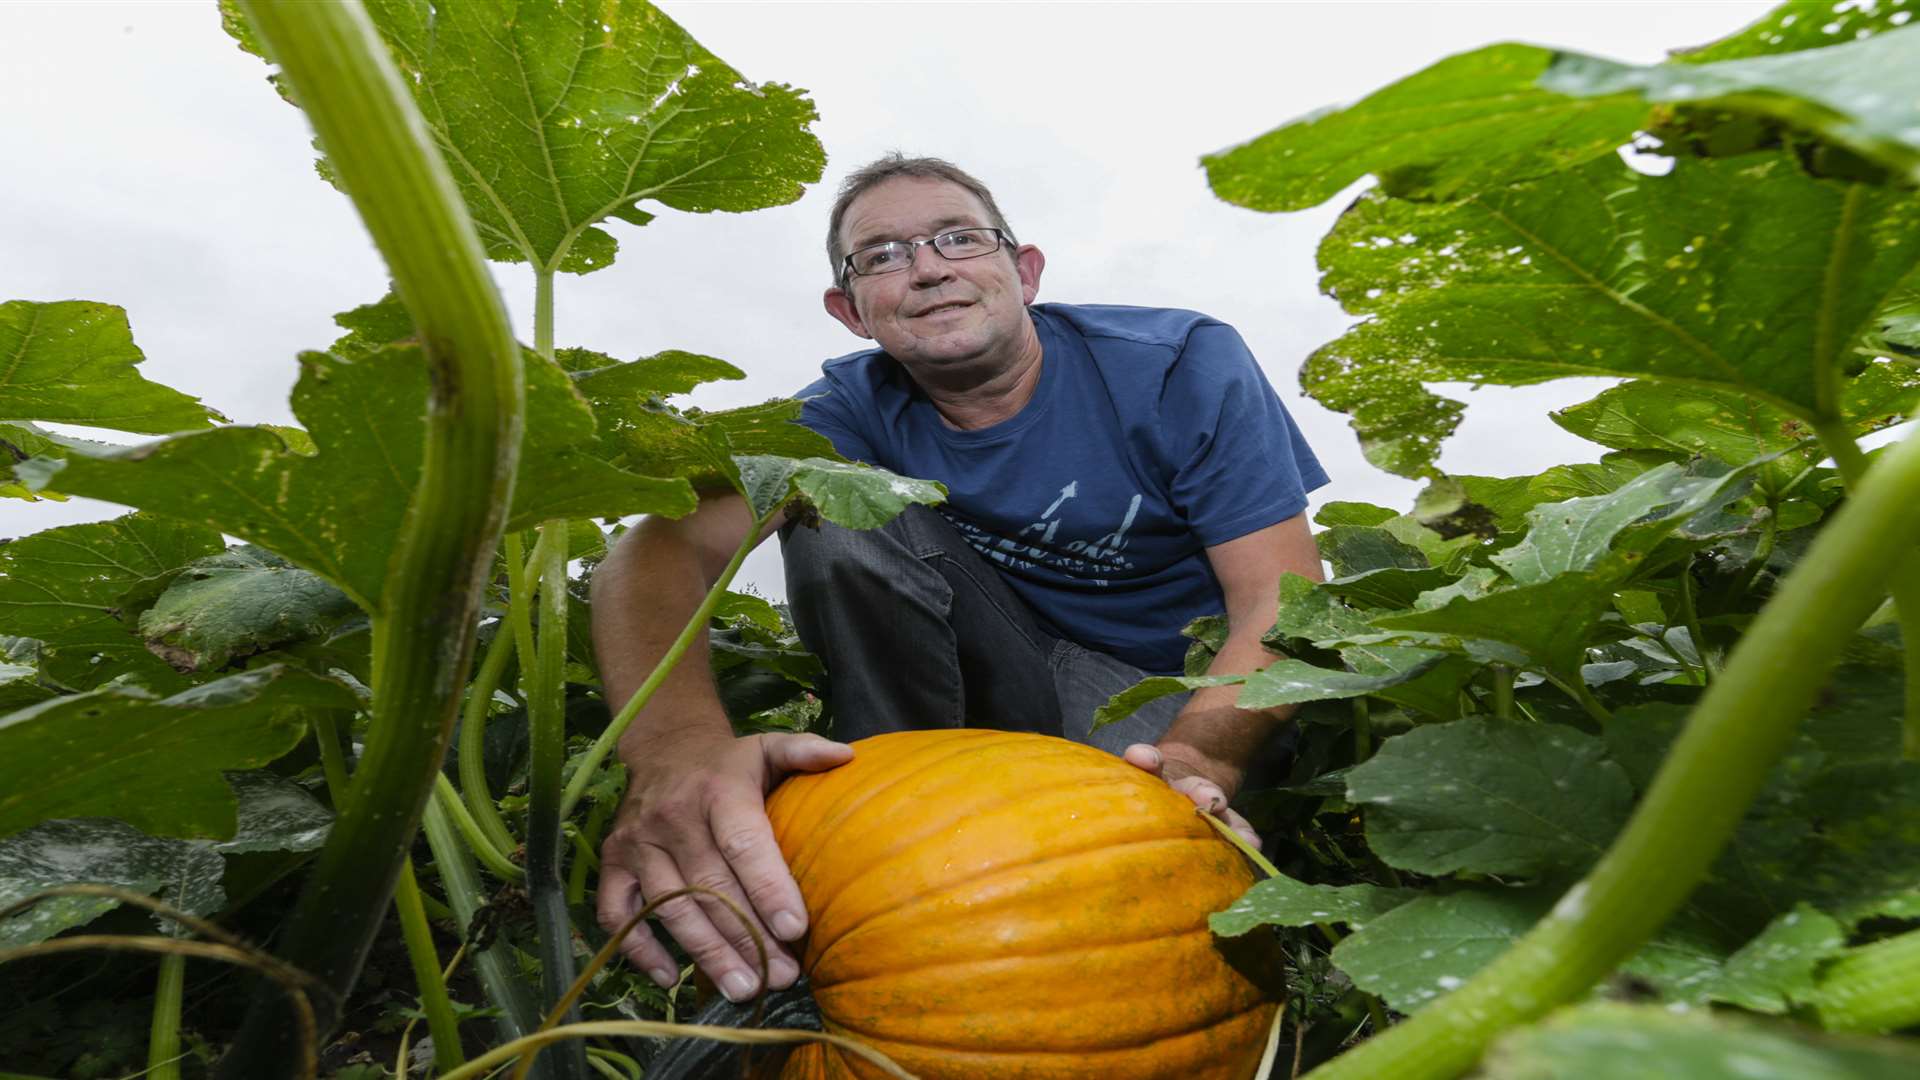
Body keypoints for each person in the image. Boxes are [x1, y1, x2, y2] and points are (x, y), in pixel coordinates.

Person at [591, 155, 1329, 1010]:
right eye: (882, 255)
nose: (928, 266)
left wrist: (1202, 753)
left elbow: (1279, 606)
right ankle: (883, 851)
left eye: (958, 238)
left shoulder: (1174, 364)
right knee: (834, 514)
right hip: (999, 673)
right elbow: (651, 552)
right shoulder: (843, 414)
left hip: (1159, 695)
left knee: (1100, 908)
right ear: (851, 312)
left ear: (1024, 271)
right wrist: (674, 755)